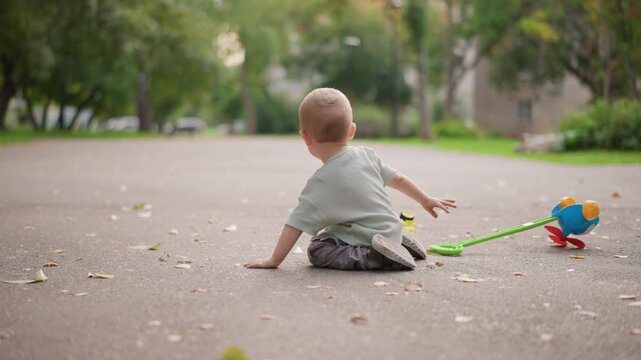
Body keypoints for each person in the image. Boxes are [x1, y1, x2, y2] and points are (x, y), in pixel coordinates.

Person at [244, 88, 455, 270]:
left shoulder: (321, 182)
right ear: (352, 130)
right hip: (390, 228)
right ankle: (397, 243)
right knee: (340, 230)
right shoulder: (367, 155)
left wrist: (274, 259)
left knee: (318, 247)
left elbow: (296, 224)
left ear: (306, 137)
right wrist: (425, 200)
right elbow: (398, 179)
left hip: (366, 241)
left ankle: (375, 257)